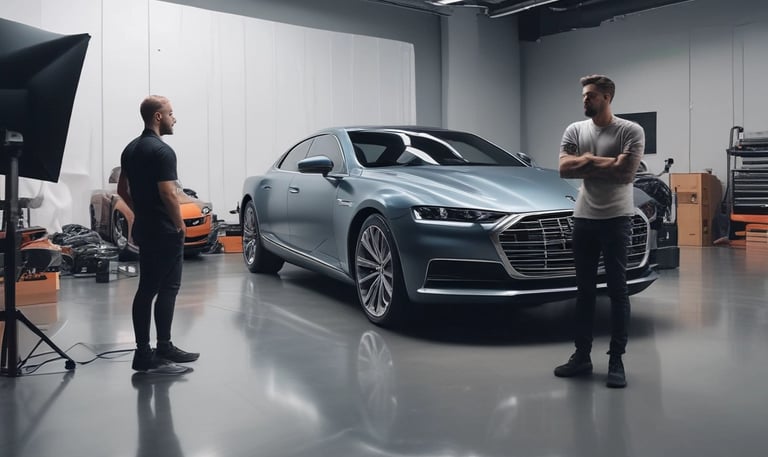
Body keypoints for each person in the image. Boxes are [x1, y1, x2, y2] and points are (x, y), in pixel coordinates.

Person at [555, 75, 644, 388]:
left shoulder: (630, 130)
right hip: (584, 218)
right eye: (583, 95)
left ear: (607, 97)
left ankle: (616, 360)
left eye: (591, 95)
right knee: (584, 292)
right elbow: (564, 169)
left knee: (618, 291)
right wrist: (600, 161)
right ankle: (582, 356)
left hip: (617, 219)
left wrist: (587, 162)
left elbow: (625, 173)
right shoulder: (575, 130)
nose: (585, 100)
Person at [118, 95, 199, 375]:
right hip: (164, 231)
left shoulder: (130, 149)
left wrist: (141, 211)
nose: (174, 118)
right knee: (154, 289)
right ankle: (144, 355)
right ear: (157, 117)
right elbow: (168, 192)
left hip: (146, 227)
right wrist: (179, 224)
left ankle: (163, 347)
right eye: (171, 113)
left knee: (162, 288)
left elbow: (121, 191)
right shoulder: (162, 151)